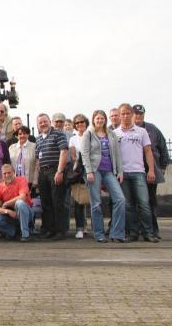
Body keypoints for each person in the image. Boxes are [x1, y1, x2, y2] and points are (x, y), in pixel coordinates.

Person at [114, 103, 159, 242]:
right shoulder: (115, 133)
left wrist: (151, 170)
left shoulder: (141, 132)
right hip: (122, 174)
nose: (125, 116)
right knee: (128, 205)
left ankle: (148, 233)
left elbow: (148, 151)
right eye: (123, 114)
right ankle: (133, 233)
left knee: (144, 203)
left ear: (132, 115)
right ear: (119, 116)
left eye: (128, 113)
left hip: (139, 172)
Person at [81, 110, 127, 243]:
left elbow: (117, 154)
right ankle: (99, 234)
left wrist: (120, 171)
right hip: (94, 171)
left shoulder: (111, 134)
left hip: (109, 171)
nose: (100, 120)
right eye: (97, 118)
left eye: (102, 118)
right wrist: (88, 171)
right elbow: (85, 153)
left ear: (105, 120)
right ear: (93, 120)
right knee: (96, 203)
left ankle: (117, 233)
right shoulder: (88, 134)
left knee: (120, 199)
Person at [133, 104, 170, 239]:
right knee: (135, 202)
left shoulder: (152, 129)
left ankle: (153, 229)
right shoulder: (128, 129)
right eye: (136, 114)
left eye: (140, 114)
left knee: (150, 201)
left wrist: (163, 167)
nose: (138, 116)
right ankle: (136, 229)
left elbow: (162, 147)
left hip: (151, 171)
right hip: (135, 170)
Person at [35, 113, 69, 240]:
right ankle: (49, 229)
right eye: (40, 122)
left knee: (57, 202)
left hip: (55, 170)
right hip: (43, 173)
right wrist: (39, 173)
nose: (43, 124)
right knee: (46, 202)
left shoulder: (58, 134)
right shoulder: (38, 138)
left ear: (50, 121)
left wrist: (59, 171)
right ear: (37, 125)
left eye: (45, 121)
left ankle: (60, 231)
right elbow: (37, 157)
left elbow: (63, 152)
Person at [0, 164, 34, 241]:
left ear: (14, 172)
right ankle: (14, 232)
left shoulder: (21, 180)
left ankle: (25, 234)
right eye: (4, 173)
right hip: (11, 214)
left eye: (9, 173)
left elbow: (22, 197)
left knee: (19, 203)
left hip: (26, 213)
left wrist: (6, 203)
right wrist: (7, 211)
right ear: (1, 174)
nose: (7, 175)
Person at [68, 114, 90, 239]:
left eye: (82, 122)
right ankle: (80, 228)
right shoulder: (73, 139)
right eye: (77, 123)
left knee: (94, 200)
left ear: (86, 122)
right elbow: (73, 157)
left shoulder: (92, 135)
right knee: (79, 201)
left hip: (92, 171)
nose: (80, 124)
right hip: (79, 172)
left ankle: (97, 228)